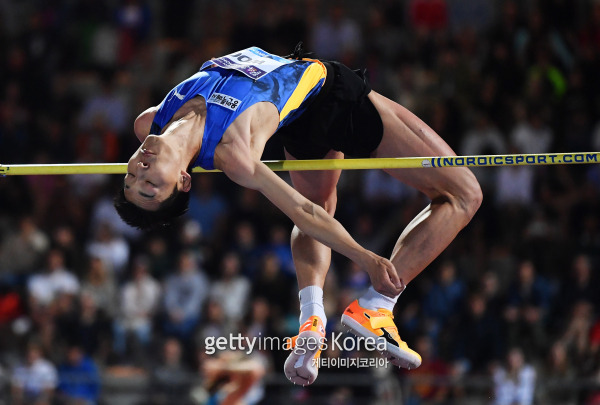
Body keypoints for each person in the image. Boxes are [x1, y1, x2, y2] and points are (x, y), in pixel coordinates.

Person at [115, 43, 482, 385]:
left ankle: (312, 321)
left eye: (130, 177)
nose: (139, 171)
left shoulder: (149, 122)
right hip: (335, 96)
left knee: (324, 202)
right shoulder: (234, 155)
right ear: (183, 181)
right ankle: (377, 305)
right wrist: (365, 258)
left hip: (300, 117)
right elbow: (302, 212)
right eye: (149, 186)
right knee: (464, 194)